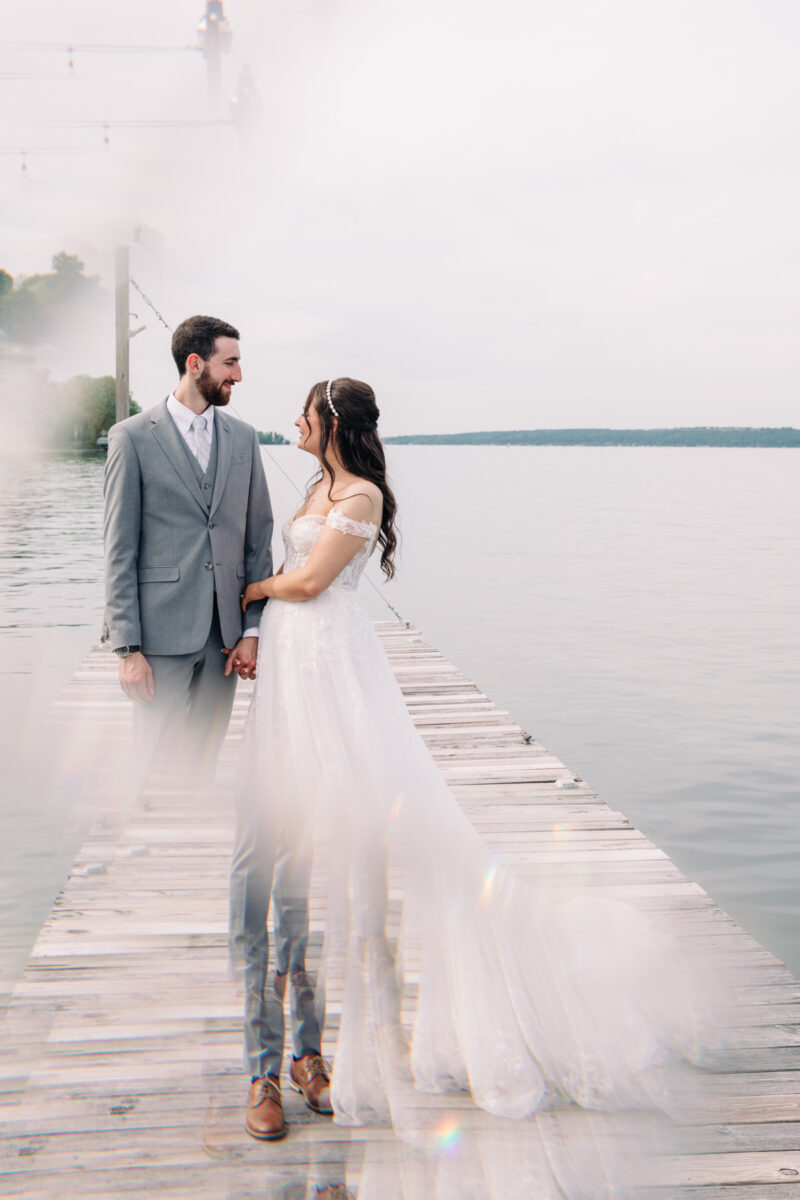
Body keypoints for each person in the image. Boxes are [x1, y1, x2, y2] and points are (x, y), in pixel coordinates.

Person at [231, 376, 716, 1144]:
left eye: (303, 412)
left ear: (330, 421)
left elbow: (316, 580)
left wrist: (254, 586)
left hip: (334, 662)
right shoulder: (320, 482)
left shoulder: (360, 495)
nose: (292, 420)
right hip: (302, 660)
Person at [103, 314, 273, 786]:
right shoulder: (132, 437)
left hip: (226, 634)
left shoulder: (244, 438)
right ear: (195, 363)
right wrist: (127, 648)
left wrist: (253, 628)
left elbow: (258, 535)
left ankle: (192, 836)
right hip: (159, 634)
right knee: (151, 759)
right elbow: (118, 548)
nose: (238, 375)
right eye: (230, 363)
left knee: (205, 758)